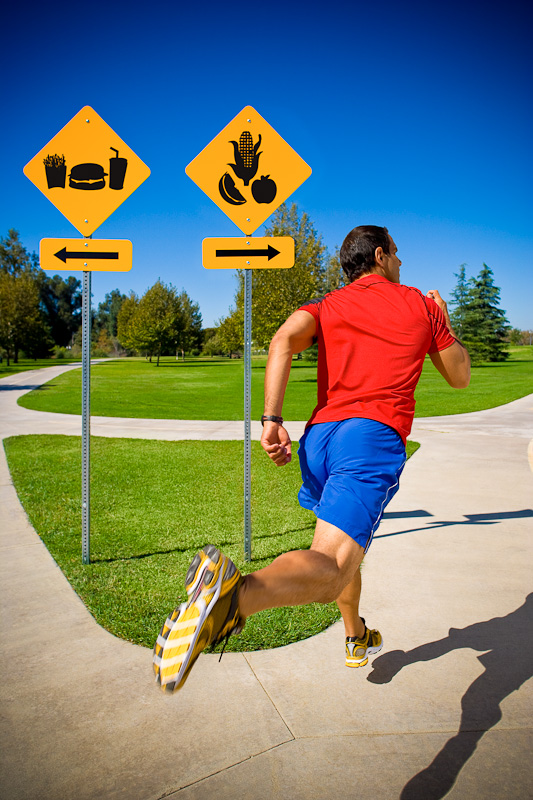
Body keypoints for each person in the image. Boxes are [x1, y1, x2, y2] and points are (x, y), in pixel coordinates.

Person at [153, 225, 471, 692]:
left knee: (343, 550)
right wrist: (443, 317)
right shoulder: (422, 305)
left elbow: (282, 340)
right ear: (380, 255)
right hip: (370, 439)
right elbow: (459, 375)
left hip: (319, 440)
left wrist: (270, 419)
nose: (403, 264)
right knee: (331, 567)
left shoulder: (327, 304)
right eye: (398, 255)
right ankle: (235, 598)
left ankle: (355, 635)